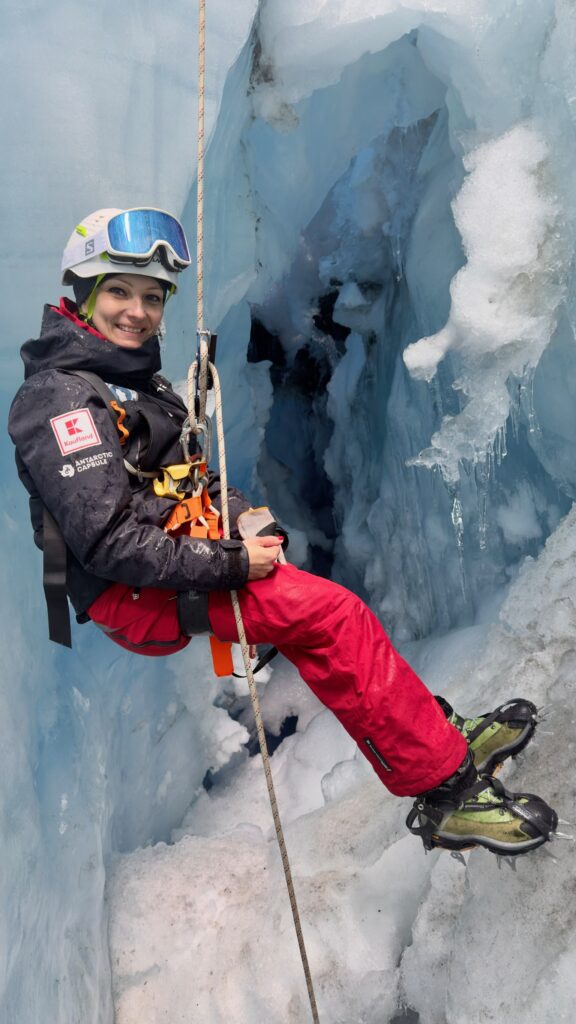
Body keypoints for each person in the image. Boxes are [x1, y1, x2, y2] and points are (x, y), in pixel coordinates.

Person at [9, 207, 558, 857]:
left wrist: (248, 518)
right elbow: (106, 543)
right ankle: (446, 794)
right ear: (83, 293)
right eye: (120, 292)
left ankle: (434, 733)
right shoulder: (63, 399)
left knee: (328, 620)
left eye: (152, 297)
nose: (138, 310)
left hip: (181, 557)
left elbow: (192, 476)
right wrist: (234, 565)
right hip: (129, 592)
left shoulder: (134, 383)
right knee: (334, 616)